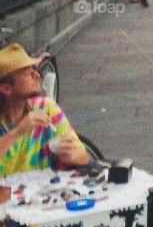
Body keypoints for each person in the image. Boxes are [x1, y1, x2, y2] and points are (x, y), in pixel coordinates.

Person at [0, 43, 89, 175]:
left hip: (43, 187)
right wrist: (17, 132)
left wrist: (73, 155)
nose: (37, 76)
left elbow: (84, 157)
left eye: (34, 70)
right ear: (6, 88)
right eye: (27, 74)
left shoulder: (46, 107)